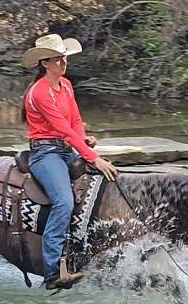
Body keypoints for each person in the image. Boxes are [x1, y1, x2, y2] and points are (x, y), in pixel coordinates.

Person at [21, 34, 118, 290]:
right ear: (45, 63)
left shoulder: (65, 85)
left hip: (65, 148)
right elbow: (63, 130)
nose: (63, 62)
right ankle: (52, 272)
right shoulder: (40, 92)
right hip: (45, 153)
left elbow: (74, 121)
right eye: (57, 59)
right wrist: (93, 157)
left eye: (64, 57)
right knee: (63, 201)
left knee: (98, 186)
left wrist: (84, 139)